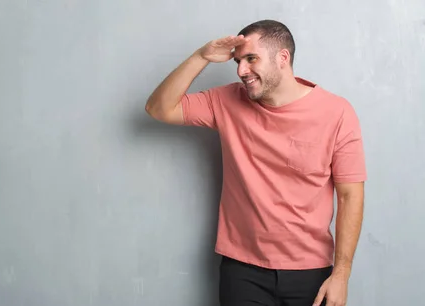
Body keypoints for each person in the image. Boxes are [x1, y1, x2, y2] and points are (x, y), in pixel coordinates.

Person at [145, 20, 366, 306]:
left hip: (311, 271)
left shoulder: (337, 113)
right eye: (237, 62)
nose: (241, 71)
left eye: (251, 59)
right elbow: (158, 108)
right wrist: (201, 57)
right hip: (243, 270)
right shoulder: (225, 101)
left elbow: (351, 196)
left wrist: (341, 275)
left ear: (283, 58)